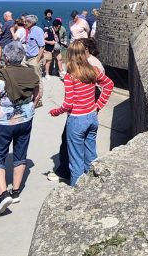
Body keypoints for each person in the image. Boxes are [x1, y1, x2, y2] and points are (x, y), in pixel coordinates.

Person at [0, 42, 40, 216]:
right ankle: (16, 192)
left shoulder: (0, 77)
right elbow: (37, 95)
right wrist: (30, 108)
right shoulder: (31, 74)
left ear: (6, 58)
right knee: (20, 153)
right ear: (22, 57)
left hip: (4, 123)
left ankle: (3, 195)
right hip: (25, 119)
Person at [49, 42, 114, 187]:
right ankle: (93, 185)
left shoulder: (70, 76)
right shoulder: (94, 70)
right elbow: (109, 85)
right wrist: (98, 106)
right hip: (92, 117)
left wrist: (56, 112)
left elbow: (68, 104)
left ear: (70, 55)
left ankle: (78, 192)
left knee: (76, 161)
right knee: (91, 156)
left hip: (77, 121)